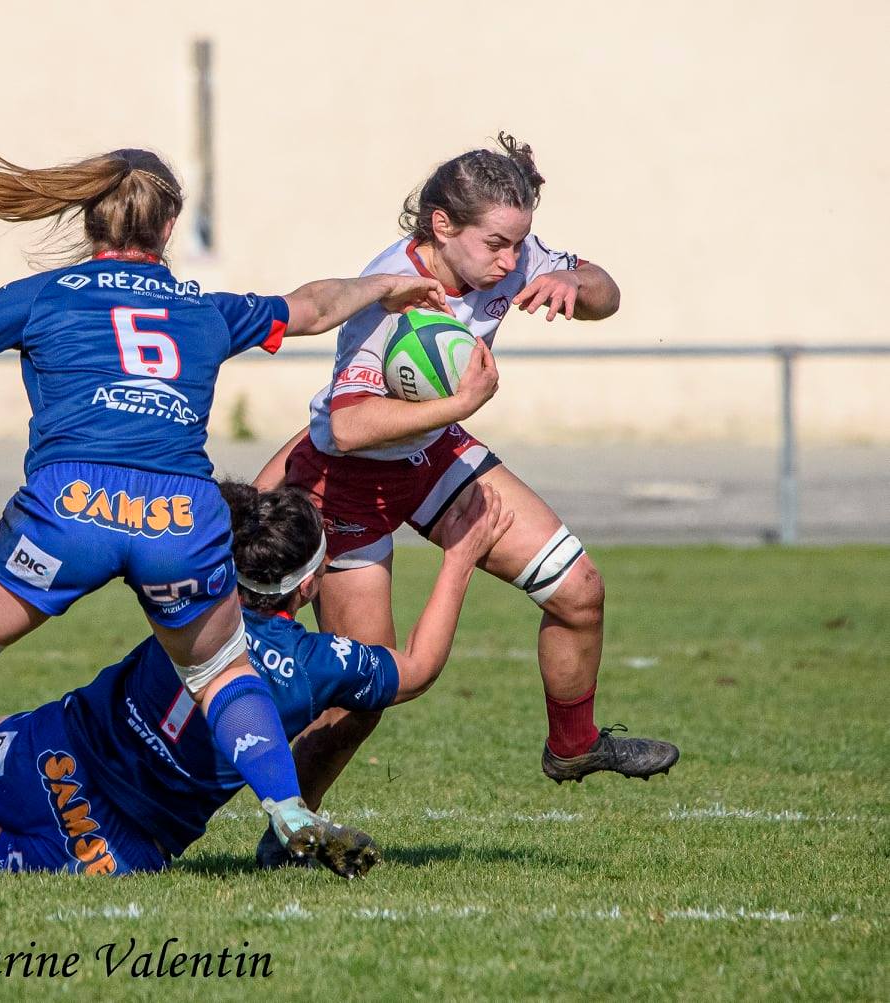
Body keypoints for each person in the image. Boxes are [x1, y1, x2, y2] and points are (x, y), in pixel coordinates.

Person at [0, 145, 449, 884]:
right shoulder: (202, 309)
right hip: (182, 516)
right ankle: (288, 811)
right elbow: (310, 307)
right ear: (171, 225)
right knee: (221, 672)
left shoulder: (41, 294)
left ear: (88, 216)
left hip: (71, 505)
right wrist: (385, 284)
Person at [0, 480, 510, 879]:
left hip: (55, 748)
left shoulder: (180, 596)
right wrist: (462, 555)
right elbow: (417, 668)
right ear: (303, 587)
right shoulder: (321, 663)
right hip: (110, 843)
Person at [254, 134, 677, 813]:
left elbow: (606, 294)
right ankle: (293, 828)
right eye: (496, 245)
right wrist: (461, 404)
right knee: (364, 695)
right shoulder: (387, 293)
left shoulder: (505, 256)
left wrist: (575, 281)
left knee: (579, 593)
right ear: (441, 227)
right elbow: (346, 424)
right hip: (346, 479)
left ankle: (572, 745)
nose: (510, 262)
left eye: (520, 243)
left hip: (430, 455)